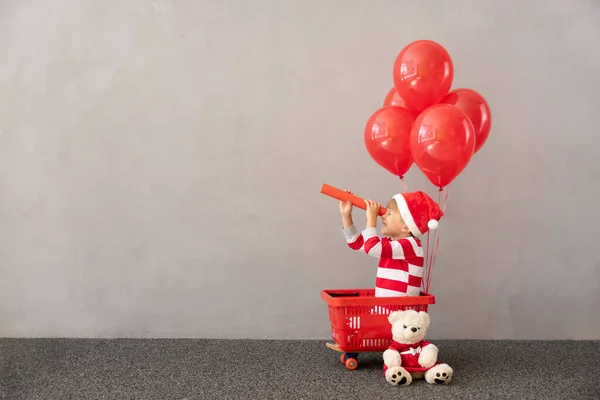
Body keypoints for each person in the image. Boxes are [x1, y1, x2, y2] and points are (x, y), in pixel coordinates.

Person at [339, 190, 444, 297]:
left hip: (402, 311)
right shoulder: (390, 243)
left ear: (406, 227)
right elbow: (356, 243)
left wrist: (371, 218)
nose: (383, 216)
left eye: (389, 213)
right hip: (385, 307)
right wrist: (346, 215)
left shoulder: (411, 245)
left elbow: (372, 247)